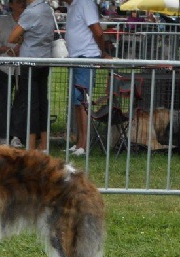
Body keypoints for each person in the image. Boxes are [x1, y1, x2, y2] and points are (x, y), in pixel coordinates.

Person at [61, 0, 110, 156]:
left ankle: (83, 145)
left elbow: (98, 32)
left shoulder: (85, 3)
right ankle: (79, 143)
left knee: (82, 101)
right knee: (78, 101)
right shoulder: (73, 6)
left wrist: (102, 53)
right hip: (77, 57)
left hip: (86, 56)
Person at [7, 0, 54, 151]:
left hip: (29, 62)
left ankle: (31, 145)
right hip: (44, 60)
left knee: (31, 104)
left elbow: (12, 37)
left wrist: (24, 38)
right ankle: (44, 143)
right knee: (42, 103)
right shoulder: (47, 9)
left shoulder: (30, 12)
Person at [0, 0, 25, 146]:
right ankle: (3, 137)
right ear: (12, 5)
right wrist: (6, 50)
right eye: (19, 2)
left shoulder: (29, 19)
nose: (22, 4)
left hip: (22, 67)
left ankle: (16, 135)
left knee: (21, 103)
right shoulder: (3, 21)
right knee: (3, 103)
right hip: (4, 67)